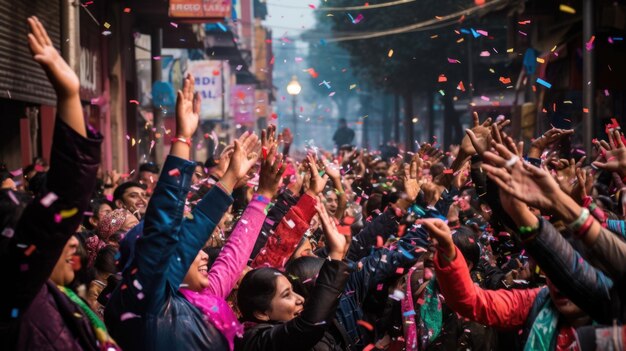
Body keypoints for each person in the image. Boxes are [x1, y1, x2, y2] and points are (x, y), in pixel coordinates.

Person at [0, 17, 118, 350]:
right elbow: (67, 194)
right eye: (32, 227)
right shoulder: (13, 292)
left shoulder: (57, 296)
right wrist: (68, 95)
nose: (71, 242)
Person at [235, 199, 352, 351]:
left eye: (293, 291)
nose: (300, 299)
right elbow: (309, 327)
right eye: (286, 295)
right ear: (261, 313)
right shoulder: (256, 342)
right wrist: (336, 255)